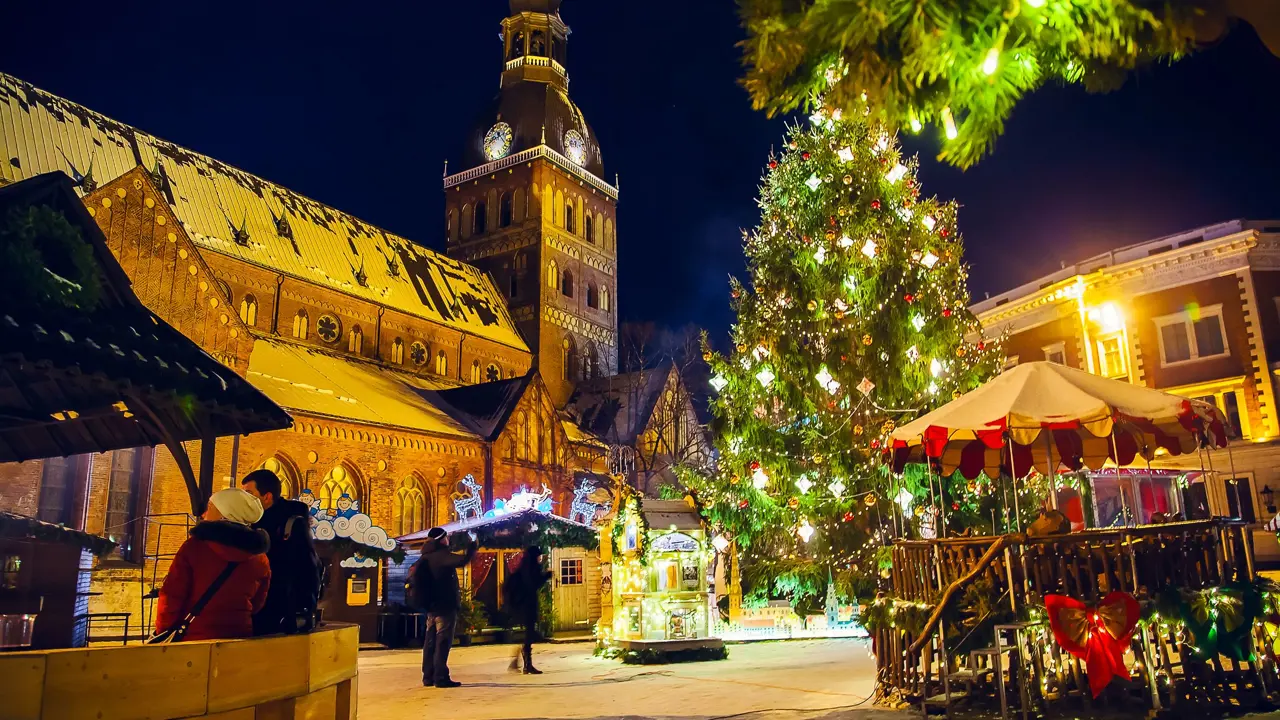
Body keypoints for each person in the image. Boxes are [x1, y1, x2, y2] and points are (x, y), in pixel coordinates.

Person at [155, 488, 271, 641]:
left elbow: (172, 597)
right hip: (238, 639)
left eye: (210, 507)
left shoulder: (195, 547)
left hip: (194, 639)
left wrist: (163, 630)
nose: (204, 514)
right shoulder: (260, 558)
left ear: (225, 514)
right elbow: (257, 603)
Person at [241, 468, 323, 635]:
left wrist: (303, 612)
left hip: (280, 614)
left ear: (267, 496)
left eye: (249, 493)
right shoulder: (248, 524)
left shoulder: (292, 524)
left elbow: (308, 568)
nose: (244, 499)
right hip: (252, 611)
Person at [418, 526, 477, 688]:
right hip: (445, 607)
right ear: (441, 539)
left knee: (430, 642)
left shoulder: (425, 556)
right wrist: (472, 546)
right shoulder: (441, 555)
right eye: (447, 537)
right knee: (442, 642)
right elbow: (462, 561)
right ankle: (441, 677)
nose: (448, 539)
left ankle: (428, 676)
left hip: (431, 608)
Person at [504, 545, 552, 674]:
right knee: (529, 634)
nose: (540, 559)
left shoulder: (523, 569)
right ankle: (526, 664)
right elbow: (532, 585)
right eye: (539, 556)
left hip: (521, 606)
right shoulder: (530, 569)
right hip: (527, 606)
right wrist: (546, 576)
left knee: (528, 635)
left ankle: (520, 662)